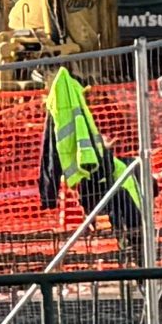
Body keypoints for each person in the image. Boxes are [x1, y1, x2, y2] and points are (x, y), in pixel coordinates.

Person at [37, 63, 144, 240]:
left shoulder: (69, 104)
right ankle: (133, 239)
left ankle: (130, 239)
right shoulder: (72, 104)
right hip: (90, 173)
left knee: (120, 194)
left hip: (92, 173)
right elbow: (53, 153)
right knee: (121, 196)